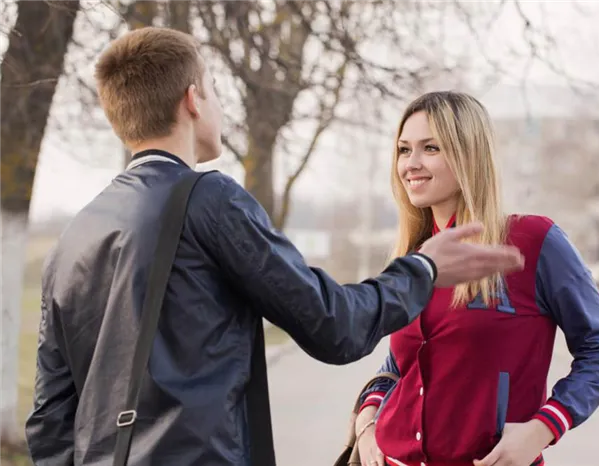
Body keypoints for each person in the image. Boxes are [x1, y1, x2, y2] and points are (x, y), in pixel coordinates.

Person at [24, 28, 525, 466]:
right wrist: (423, 269)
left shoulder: (75, 235)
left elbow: (49, 418)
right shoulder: (208, 198)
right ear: (193, 99)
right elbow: (334, 325)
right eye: (216, 91)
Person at [352, 91, 599, 466]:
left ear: (469, 154)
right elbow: (401, 363)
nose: (411, 164)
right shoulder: (415, 258)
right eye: (403, 150)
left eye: (430, 148)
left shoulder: (534, 242)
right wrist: (367, 422)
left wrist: (543, 427)